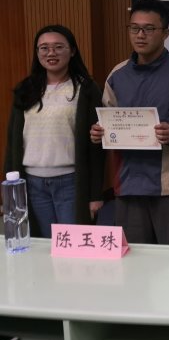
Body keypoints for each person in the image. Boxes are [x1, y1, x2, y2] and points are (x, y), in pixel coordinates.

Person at [90, 0, 169, 245]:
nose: (140, 35)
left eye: (149, 29)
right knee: (134, 258)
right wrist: (99, 132)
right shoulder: (117, 75)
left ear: (166, 33)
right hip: (129, 180)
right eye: (134, 28)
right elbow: (107, 117)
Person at [4, 25, 104, 237]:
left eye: (59, 47)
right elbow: (12, 143)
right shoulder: (26, 89)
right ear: (37, 52)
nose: (51, 53)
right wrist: (9, 191)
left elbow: (97, 147)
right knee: (42, 246)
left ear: (72, 51)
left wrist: (95, 194)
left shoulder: (86, 89)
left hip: (71, 183)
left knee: (71, 245)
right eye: (44, 48)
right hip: (32, 183)